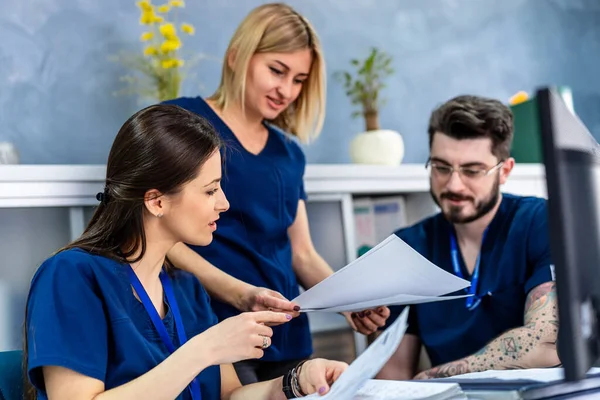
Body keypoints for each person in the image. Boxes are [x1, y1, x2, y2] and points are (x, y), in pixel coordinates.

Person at [23, 104, 348, 400]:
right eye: (210, 190)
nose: (224, 203)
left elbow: (230, 395)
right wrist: (204, 350)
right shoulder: (71, 276)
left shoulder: (186, 288)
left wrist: (294, 382)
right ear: (156, 201)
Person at [163, 2, 389, 384]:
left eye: (299, 80)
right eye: (277, 71)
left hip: (287, 336)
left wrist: (347, 301)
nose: (287, 90)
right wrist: (239, 294)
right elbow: (159, 235)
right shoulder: (181, 124)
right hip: (211, 331)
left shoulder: (289, 153)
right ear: (237, 57)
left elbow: (302, 253)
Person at [376, 95, 560, 380]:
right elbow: (394, 375)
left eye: (472, 171)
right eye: (441, 167)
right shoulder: (408, 248)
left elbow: (544, 345)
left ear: (505, 171)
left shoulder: (540, 222)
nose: (453, 184)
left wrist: (435, 376)